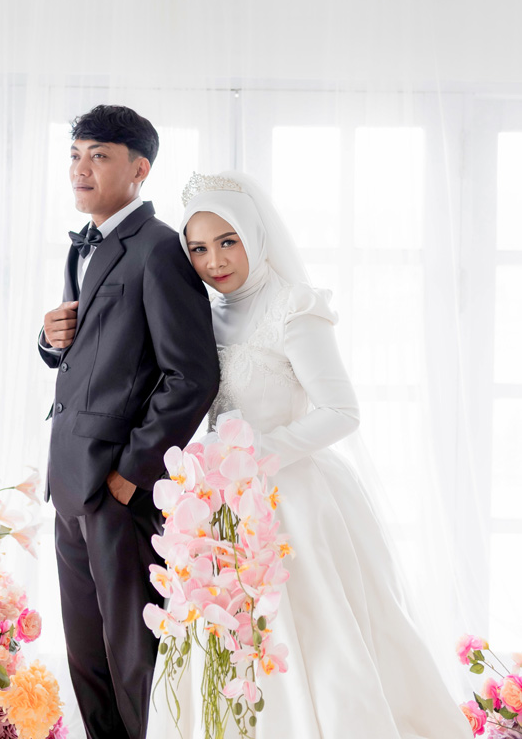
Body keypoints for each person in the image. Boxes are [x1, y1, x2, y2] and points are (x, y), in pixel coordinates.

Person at [145, 170, 471, 739]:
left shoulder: (293, 307)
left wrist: (257, 454)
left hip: (290, 497)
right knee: (224, 638)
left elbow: (341, 411)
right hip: (218, 504)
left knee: (313, 641)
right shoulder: (203, 314)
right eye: (198, 249)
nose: (214, 261)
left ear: (255, 235)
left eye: (228, 242)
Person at [38, 108, 219, 739]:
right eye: (75, 154)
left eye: (99, 156)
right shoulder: (81, 245)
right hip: (69, 481)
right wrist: (49, 340)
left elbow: (191, 375)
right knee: (86, 658)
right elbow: (93, 354)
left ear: (140, 169)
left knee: (135, 659)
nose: (80, 168)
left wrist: (131, 475)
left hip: (118, 488)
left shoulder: (160, 248)